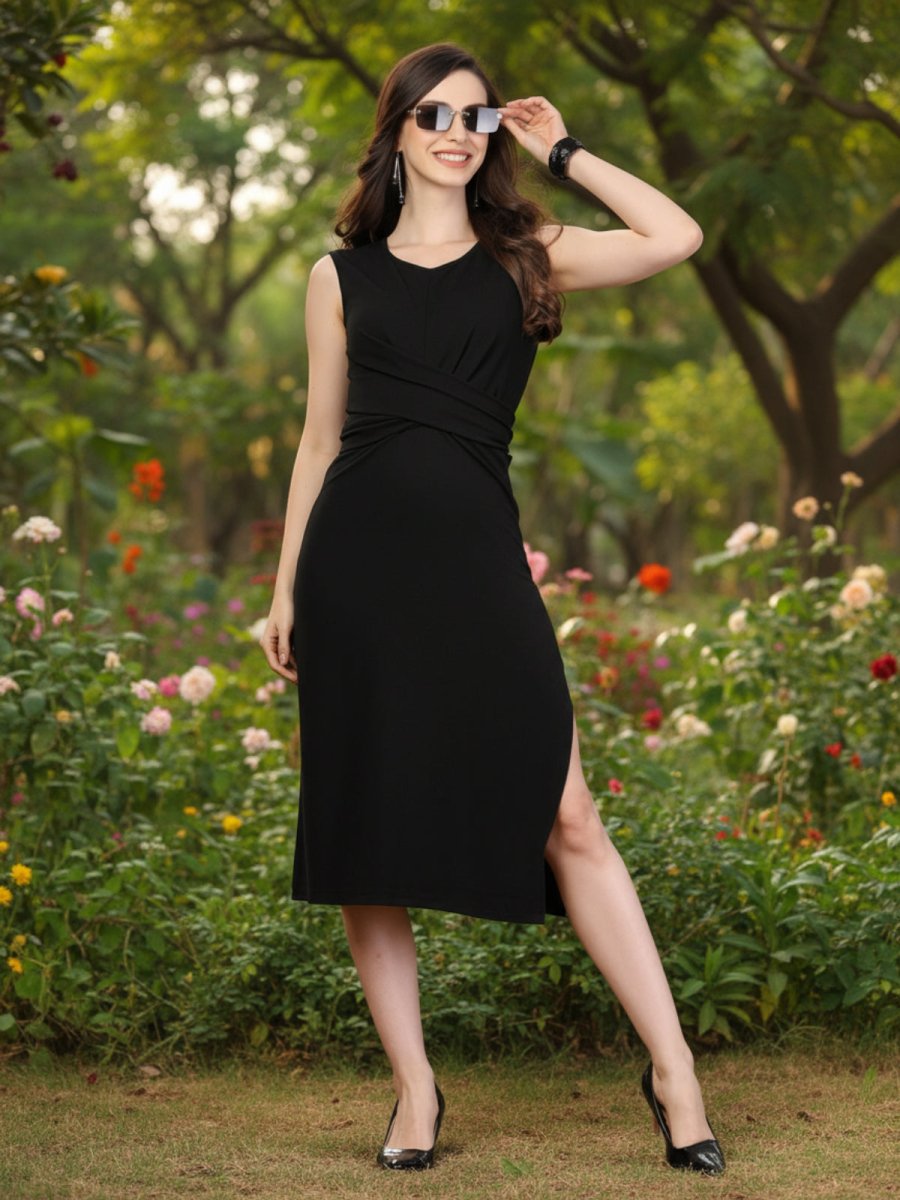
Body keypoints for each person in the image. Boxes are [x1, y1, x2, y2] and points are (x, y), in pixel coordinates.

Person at [261, 41, 725, 1177]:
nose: (458, 132)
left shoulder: (529, 254)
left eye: (475, 117)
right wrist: (284, 590)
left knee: (566, 815)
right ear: (398, 135)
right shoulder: (341, 278)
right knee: (365, 835)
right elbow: (321, 441)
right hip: (356, 571)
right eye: (435, 116)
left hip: (476, 566)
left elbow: (677, 239)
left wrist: (561, 148)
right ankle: (415, 1092)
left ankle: (675, 1073)